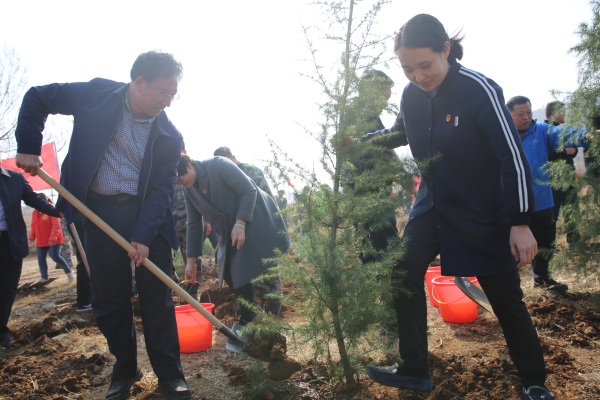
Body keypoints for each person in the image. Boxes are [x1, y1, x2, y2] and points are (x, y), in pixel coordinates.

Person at [363, 14, 555, 400]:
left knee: (504, 297)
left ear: (446, 50)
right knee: (403, 269)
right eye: (407, 69)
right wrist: (364, 141)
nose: (418, 76)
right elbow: (402, 131)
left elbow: (511, 159)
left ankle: (534, 380)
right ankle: (415, 367)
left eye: (425, 65)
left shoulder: (478, 89)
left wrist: (519, 223)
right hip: (433, 202)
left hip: (484, 208)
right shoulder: (411, 94)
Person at [14, 51, 191, 400]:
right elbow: (38, 96)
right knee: (110, 300)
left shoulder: (169, 136)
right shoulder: (97, 94)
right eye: (163, 92)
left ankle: (171, 377)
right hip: (98, 213)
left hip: (147, 219)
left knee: (157, 298)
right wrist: (28, 146)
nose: (168, 102)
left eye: (174, 94)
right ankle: (125, 369)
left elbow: (160, 191)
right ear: (139, 83)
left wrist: (142, 237)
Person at [177, 154, 290, 326]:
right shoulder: (189, 190)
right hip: (230, 229)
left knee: (263, 266)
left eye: (180, 177)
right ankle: (251, 317)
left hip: (255, 217)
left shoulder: (218, 165)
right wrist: (191, 263)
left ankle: (271, 312)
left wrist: (240, 223)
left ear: (190, 165)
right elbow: (193, 223)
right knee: (231, 272)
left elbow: (249, 190)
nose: (179, 182)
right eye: (175, 180)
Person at [507, 96, 572, 292]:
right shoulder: (502, 135)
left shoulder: (541, 131)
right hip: (513, 202)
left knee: (545, 242)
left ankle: (542, 279)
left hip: (541, 200)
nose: (527, 117)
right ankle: (510, 287)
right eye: (521, 114)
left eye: (529, 112)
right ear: (509, 115)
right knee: (511, 248)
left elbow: (564, 134)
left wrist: (587, 136)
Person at [212, 146, 283, 314]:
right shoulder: (220, 176)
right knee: (250, 267)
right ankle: (258, 305)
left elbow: (258, 200)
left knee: (268, 264)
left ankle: (274, 304)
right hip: (242, 225)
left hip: (262, 222)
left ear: (234, 158)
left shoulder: (251, 171)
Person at [0, 167, 62, 349]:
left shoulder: (14, 179)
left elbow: (34, 200)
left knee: (6, 290)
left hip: (9, 243)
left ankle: (1, 334)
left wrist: (60, 211)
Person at [28, 193, 75, 284]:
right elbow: (34, 225)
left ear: (45, 201)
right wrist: (31, 237)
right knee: (41, 258)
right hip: (41, 240)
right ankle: (44, 277)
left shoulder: (52, 210)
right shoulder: (35, 212)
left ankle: (69, 272)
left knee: (55, 256)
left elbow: (56, 226)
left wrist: (52, 238)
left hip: (54, 240)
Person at [67, 219, 93, 312]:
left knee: (88, 258)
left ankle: (87, 299)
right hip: (80, 220)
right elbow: (61, 209)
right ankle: (85, 301)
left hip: (81, 219)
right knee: (86, 258)